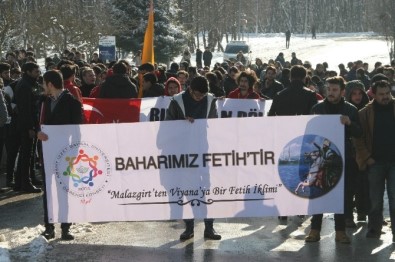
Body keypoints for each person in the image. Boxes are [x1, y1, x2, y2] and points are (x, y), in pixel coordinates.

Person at [305, 76, 362, 244]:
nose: (331, 93)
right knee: (318, 192)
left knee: (342, 196)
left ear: (342, 91)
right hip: (321, 159)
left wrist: (349, 123)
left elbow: (359, 133)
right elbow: (308, 132)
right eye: (328, 89)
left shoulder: (350, 110)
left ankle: (340, 231)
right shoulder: (317, 108)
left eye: (334, 90)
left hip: (344, 158)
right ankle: (315, 230)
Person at [165, 75, 221, 241]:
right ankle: (189, 228)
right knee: (188, 189)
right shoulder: (177, 101)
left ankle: (209, 228)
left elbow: (214, 124)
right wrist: (182, 123)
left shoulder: (210, 100)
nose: (200, 98)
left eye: (202, 95)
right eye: (197, 95)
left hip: (204, 150)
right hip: (183, 153)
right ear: (190, 89)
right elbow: (167, 125)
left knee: (207, 189)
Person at [37, 70, 83, 241]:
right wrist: (37, 133)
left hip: (65, 154)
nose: (42, 87)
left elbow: (78, 131)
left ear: (50, 84)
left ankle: (65, 227)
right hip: (46, 152)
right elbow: (37, 124)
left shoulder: (72, 102)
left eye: (44, 83)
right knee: (47, 192)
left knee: (63, 190)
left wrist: (74, 153)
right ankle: (49, 227)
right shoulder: (43, 101)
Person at [354, 80, 395, 242]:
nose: (385, 97)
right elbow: (359, 139)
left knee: (394, 198)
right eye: (381, 94)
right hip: (375, 162)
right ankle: (374, 228)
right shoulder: (365, 113)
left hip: (394, 162)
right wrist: (367, 158)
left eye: (388, 94)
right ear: (373, 94)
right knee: (375, 199)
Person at [13, 62, 42, 193]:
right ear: (28, 72)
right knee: (27, 155)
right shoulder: (25, 85)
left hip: (29, 123)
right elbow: (25, 109)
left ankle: (21, 181)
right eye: (36, 71)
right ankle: (25, 183)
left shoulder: (28, 83)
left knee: (27, 154)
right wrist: (30, 127)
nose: (38, 74)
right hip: (26, 125)